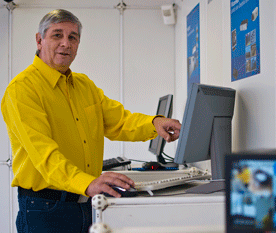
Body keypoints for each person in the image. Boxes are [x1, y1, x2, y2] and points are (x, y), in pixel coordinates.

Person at [1, 9, 181, 233]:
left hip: (86, 204)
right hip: (45, 209)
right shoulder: (22, 90)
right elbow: (44, 155)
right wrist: (85, 182)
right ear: (39, 40)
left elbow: (119, 121)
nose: (66, 43)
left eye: (73, 37)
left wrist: (154, 123)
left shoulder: (84, 85)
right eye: (57, 35)